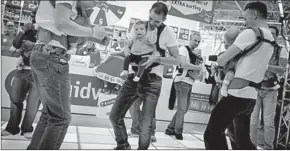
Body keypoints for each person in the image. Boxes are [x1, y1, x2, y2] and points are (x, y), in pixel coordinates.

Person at [26, 1, 107, 149]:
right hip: (53, 55)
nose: (97, 3)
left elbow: (63, 28)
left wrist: (92, 35)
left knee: (49, 115)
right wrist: (92, 32)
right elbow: (62, 24)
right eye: (97, 0)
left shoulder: (73, 6)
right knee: (60, 118)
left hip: (43, 52)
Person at [109, 2, 187, 150]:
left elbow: (177, 60)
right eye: (150, 18)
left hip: (152, 80)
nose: (152, 23)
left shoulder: (167, 32)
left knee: (146, 127)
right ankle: (123, 145)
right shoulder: (139, 26)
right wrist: (124, 46)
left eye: (157, 21)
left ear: (164, 19)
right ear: (149, 12)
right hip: (133, 77)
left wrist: (156, 59)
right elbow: (130, 48)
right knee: (114, 115)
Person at [203, 2, 276, 149]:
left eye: (246, 17)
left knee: (212, 133)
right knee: (242, 140)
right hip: (251, 96)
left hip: (236, 94)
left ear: (254, 14)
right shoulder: (271, 41)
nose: (245, 22)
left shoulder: (250, 33)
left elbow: (222, 60)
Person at [250, 25, 288, 149]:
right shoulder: (258, 48)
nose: (271, 35)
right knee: (252, 121)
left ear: (276, 36)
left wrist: (266, 66)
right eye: (269, 33)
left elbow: (282, 70)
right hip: (255, 89)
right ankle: (250, 147)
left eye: (273, 33)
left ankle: (268, 148)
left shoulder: (281, 50)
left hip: (271, 91)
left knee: (268, 123)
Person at [1, 21, 40, 139]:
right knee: (15, 100)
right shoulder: (29, 32)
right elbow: (16, 44)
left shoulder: (49, 33)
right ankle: (12, 128)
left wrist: (32, 46)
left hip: (38, 73)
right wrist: (23, 30)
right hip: (22, 70)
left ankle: (27, 129)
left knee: (33, 104)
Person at [165, 33, 202, 140]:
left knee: (184, 108)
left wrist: (197, 68)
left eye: (199, 41)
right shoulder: (183, 49)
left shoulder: (193, 53)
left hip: (189, 81)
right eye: (195, 40)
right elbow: (182, 64)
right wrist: (197, 67)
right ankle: (178, 131)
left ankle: (170, 128)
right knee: (182, 108)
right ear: (190, 39)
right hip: (182, 80)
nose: (197, 43)